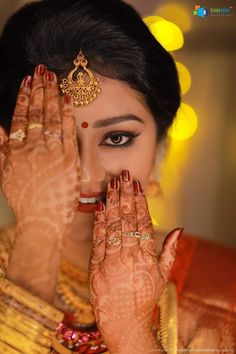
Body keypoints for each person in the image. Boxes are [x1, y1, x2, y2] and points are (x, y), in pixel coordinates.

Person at [0, 0, 235, 353]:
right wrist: (37, 244)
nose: (88, 175)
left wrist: (133, 334)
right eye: (55, 140)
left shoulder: (224, 289)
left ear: (161, 146)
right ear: (6, 145)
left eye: (117, 138)